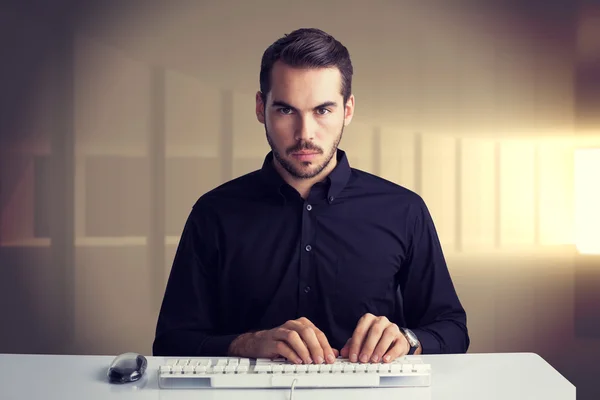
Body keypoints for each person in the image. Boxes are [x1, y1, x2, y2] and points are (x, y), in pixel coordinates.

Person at [153, 27, 469, 365]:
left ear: (348, 110)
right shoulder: (213, 212)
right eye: (286, 110)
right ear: (261, 108)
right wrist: (248, 344)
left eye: (323, 110)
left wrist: (407, 340)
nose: (305, 134)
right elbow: (171, 342)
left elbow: (452, 330)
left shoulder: (404, 210)